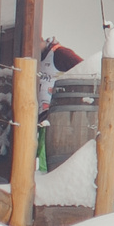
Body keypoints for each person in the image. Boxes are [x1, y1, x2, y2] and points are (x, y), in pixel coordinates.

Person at [34, 38, 82, 174]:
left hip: (55, 114)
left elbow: (84, 69)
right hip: (38, 114)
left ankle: (47, 175)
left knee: (48, 151)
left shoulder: (60, 53)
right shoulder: (37, 57)